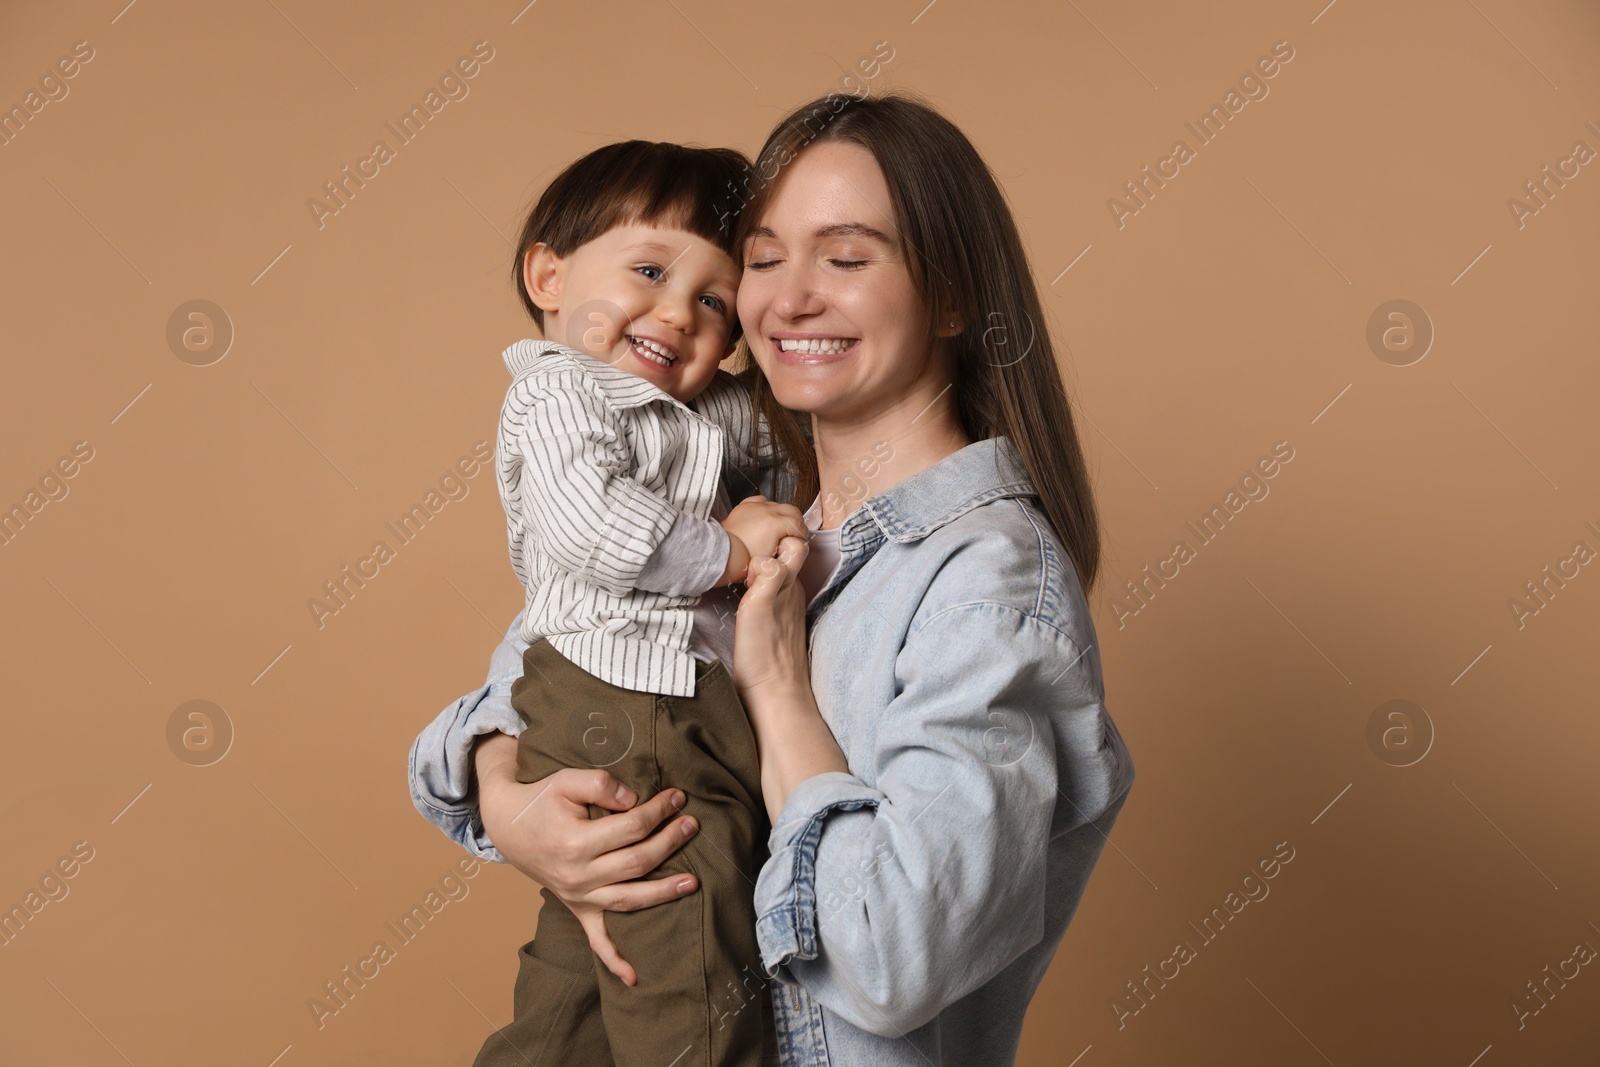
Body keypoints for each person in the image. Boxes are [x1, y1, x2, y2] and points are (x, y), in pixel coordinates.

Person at [410, 92, 1136, 1067]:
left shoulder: (987, 582)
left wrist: (781, 693)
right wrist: (508, 796)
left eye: (845, 257)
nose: (788, 299)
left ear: (954, 295)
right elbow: (532, 662)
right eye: (762, 258)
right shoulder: (749, 511)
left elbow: (893, 959)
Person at [464, 139, 808, 1067]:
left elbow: (784, 435)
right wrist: (729, 550)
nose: (676, 314)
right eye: (650, 270)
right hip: (633, 705)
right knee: (689, 961)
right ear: (548, 273)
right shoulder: (561, 396)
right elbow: (595, 525)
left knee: (588, 968)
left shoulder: (697, 409)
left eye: (712, 300)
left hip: (649, 700)